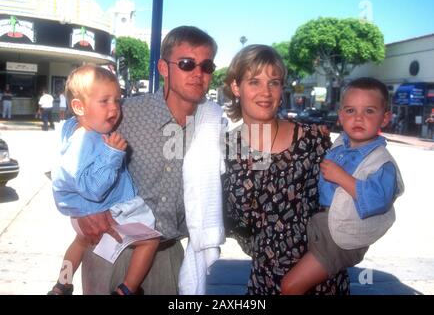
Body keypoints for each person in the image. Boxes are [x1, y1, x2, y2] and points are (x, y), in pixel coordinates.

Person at [79, 26, 226, 295]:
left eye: (207, 66)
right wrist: (81, 212)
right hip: (114, 251)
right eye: (186, 64)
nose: (198, 73)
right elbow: (71, 155)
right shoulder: (126, 114)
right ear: (163, 67)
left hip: (170, 255)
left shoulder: (214, 126)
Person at [222, 44, 349, 295]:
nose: (266, 92)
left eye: (274, 82)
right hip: (265, 282)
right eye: (254, 82)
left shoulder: (313, 140)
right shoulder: (222, 150)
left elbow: (350, 207)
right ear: (236, 87)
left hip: (321, 279)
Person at [280, 77, 405, 294]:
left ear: (385, 118)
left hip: (340, 239)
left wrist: (341, 177)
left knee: (290, 286)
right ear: (340, 116)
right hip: (323, 226)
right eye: (350, 111)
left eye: (369, 111)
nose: (358, 118)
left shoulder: (381, 162)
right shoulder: (341, 143)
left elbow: (379, 200)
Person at [49, 65, 159, 295]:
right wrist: (112, 155)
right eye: (105, 101)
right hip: (106, 210)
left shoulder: (73, 128)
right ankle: (127, 288)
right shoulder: (89, 142)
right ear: (79, 106)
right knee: (149, 241)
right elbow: (94, 188)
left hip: (81, 214)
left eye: (117, 100)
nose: (115, 108)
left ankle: (62, 284)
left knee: (79, 243)